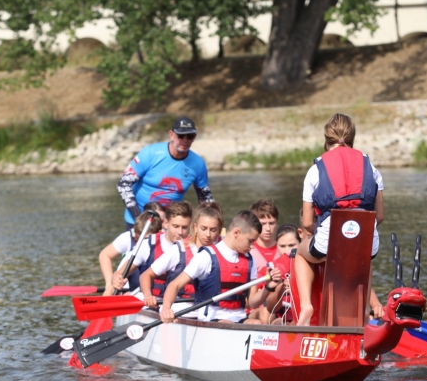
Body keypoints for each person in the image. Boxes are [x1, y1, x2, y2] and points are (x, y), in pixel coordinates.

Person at [294, 113, 385, 326]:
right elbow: (379, 215)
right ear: (353, 138)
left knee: (300, 252)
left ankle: (307, 305)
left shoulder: (315, 170)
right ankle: (362, 314)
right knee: (363, 257)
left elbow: (307, 222)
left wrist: (334, 232)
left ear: (326, 140)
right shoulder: (371, 167)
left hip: (328, 243)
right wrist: (354, 232)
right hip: (367, 244)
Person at [160, 211, 283, 324]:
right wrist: (166, 309)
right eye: (250, 241)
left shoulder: (249, 260)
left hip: (238, 316)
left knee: (257, 324)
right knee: (228, 325)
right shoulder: (206, 256)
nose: (252, 247)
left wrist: (268, 287)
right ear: (236, 233)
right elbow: (174, 285)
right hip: (212, 317)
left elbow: (252, 302)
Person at [117, 116, 214, 229]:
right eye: (181, 135)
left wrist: (214, 221)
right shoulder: (150, 153)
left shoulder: (198, 163)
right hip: (138, 219)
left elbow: (205, 198)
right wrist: (139, 218)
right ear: (171, 134)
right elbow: (123, 185)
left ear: (194, 137)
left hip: (170, 224)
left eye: (190, 136)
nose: (185, 140)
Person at [140, 204, 223, 310]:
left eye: (213, 230)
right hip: (180, 306)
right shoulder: (179, 250)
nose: (208, 234)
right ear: (195, 227)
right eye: (204, 228)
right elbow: (145, 275)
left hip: (211, 309)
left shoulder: (222, 251)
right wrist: (148, 296)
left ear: (219, 231)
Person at [110, 201, 193, 294]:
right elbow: (120, 273)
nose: (180, 232)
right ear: (165, 223)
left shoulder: (195, 248)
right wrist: (116, 278)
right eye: (176, 226)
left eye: (185, 227)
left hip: (182, 301)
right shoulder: (148, 244)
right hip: (150, 300)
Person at [99, 209, 163, 295]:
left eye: (148, 239)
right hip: (132, 291)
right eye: (142, 238)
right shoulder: (129, 247)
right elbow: (104, 255)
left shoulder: (166, 246)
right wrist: (110, 283)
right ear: (136, 234)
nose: (144, 243)